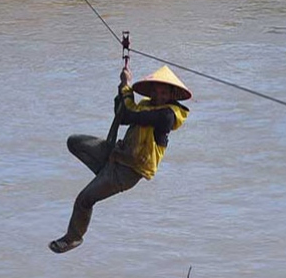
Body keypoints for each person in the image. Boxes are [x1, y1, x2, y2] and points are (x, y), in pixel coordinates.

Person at [49, 64, 192, 254]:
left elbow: (131, 114)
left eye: (164, 94)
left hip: (129, 171)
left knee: (84, 199)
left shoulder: (169, 115)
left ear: (172, 95)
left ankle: (73, 238)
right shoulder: (145, 106)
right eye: (156, 93)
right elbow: (122, 115)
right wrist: (121, 88)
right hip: (116, 154)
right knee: (74, 143)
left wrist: (127, 86)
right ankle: (103, 176)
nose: (159, 97)